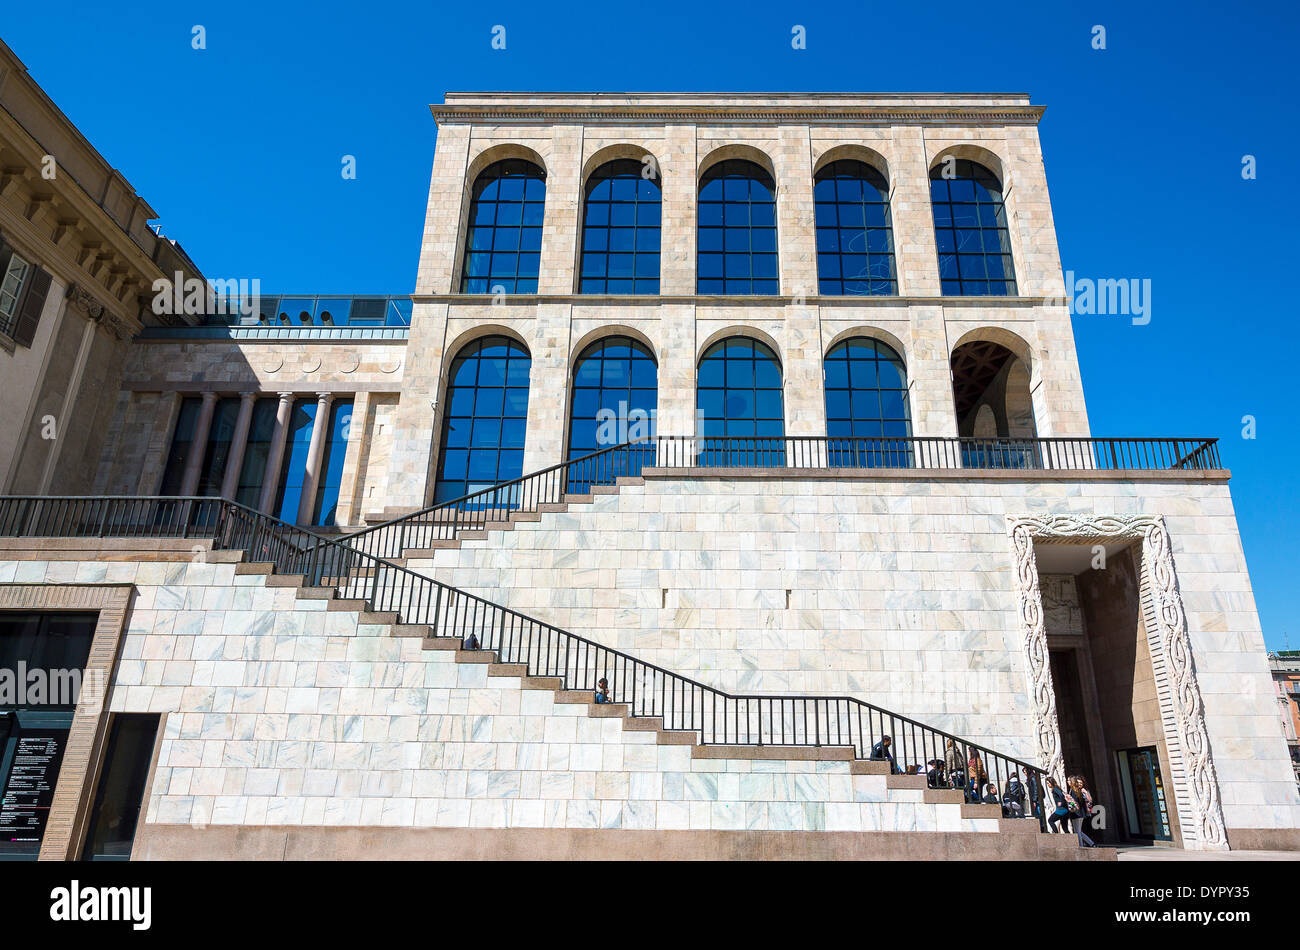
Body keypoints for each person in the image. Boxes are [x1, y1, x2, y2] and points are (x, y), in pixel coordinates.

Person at [1069, 775, 1098, 848]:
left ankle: (1081, 846)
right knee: (1079, 830)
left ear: (1072, 782)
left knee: (1077, 831)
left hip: (1076, 813)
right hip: (1081, 813)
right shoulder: (1079, 791)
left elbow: (1074, 802)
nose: (1068, 782)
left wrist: (1069, 803)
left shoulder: (1074, 790)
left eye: (1069, 780)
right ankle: (1091, 843)